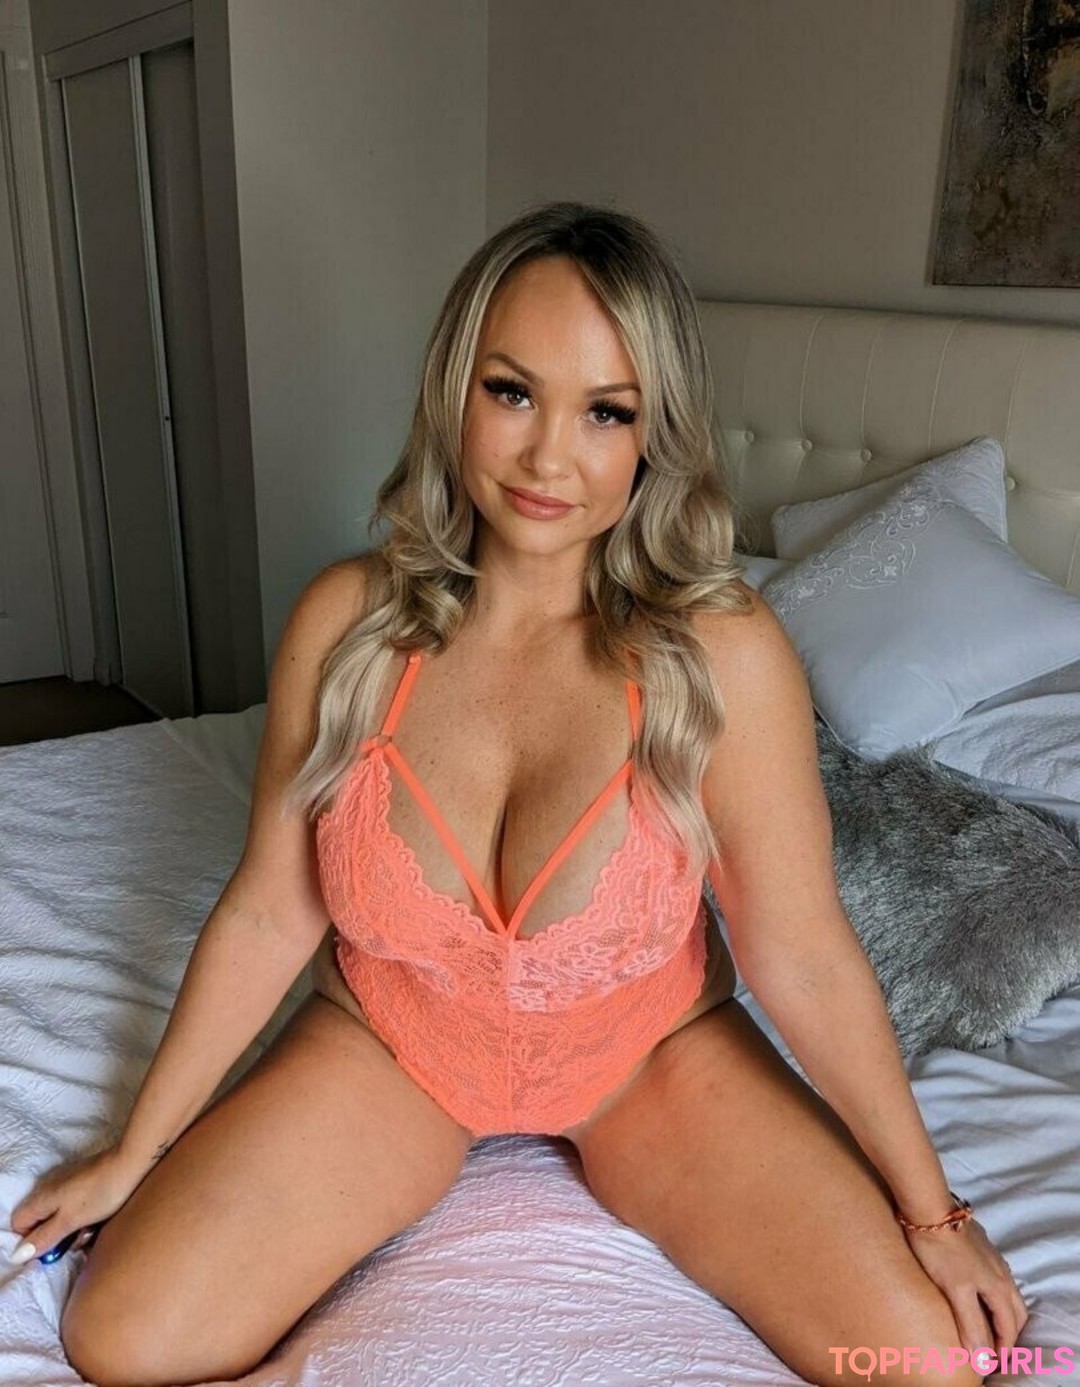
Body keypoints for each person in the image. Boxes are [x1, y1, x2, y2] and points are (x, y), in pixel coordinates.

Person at [9, 202, 1026, 1387]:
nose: (550, 458)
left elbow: (801, 953)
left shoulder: (723, 653)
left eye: (607, 411)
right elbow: (270, 910)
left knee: (928, 1361)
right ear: (456, 392)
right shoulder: (348, 625)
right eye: (512, 392)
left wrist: (935, 1210)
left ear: (655, 433)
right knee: (124, 1335)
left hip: (646, 1056)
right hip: (397, 1039)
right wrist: (137, 1149)